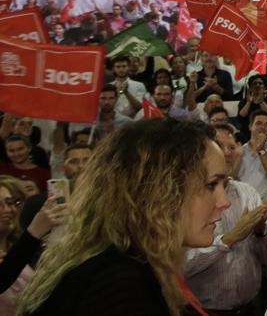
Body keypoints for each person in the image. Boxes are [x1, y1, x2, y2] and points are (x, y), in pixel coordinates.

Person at [16, 119, 228, 315]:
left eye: (224, 185)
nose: (224, 202)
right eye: (211, 185)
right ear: (158, 191)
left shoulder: (118, 265)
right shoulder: (120, 284)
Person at [184, 125, 267, 313]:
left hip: (251, 306)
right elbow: (182, 267)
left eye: (232, 147)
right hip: (204, 310)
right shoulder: (186, 197)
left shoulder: (248, 193)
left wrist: (260, 231)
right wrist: (230, 238)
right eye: (219, 147)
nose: (226, 153)